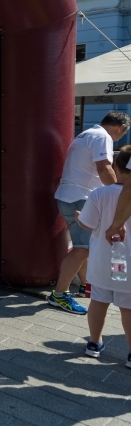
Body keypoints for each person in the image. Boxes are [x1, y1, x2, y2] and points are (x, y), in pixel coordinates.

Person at [49, 111, 130, 314]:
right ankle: (59, 295)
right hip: (80, 197)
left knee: (84, 245)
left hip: (69, 195)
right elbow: (105, 169)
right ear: (120, 128)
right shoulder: (103, 137)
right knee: (83, 249)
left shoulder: (86, 134)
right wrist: (118, 193)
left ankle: (86, 285)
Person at [77, 144, 131, 365]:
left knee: (98, 302)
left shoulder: (99, 193)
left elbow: (87, 224)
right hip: (128, 266)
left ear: (115, 166)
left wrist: (79, 216)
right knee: (128, 308)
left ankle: (94, 343)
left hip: (101, 261)